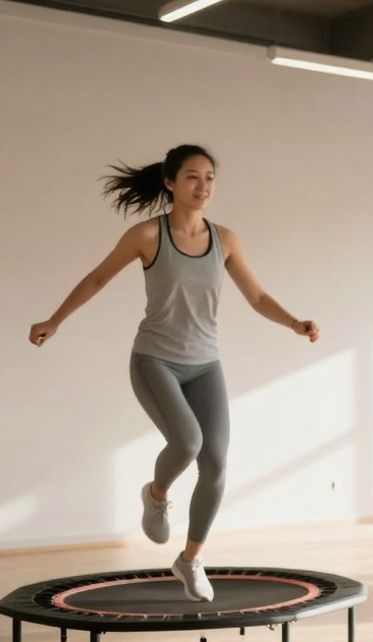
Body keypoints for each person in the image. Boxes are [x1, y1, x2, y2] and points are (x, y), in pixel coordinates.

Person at [28, 145, 320, 602]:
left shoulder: (226, 239)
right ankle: (158, 494)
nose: (203, 187)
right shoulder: (147, 235)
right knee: (187, 442)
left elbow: (257, 296)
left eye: (209, 178)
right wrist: (54, 320)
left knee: (216, 463)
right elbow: (98, 278)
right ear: (169, 183)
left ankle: (189, 560)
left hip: (206, 364)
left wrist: (294, 322)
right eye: (191, 178)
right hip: (155, 361)